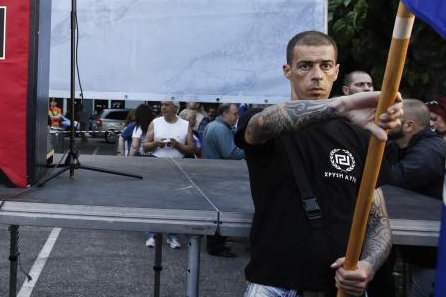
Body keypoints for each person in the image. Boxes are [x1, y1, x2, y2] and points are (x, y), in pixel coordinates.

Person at [234, 31, 401, 296]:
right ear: (287, 71)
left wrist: (367, 266)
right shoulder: (266, 120)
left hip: (341, 289)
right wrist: (340, 105)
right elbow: (261, 126)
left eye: (325, 66)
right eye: (305, 66)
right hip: (276, 285)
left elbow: (378, 221)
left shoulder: (361, 135)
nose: (316, 75)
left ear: (336, 72)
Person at [384, 98, 446, 296]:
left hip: (437, 253)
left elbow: (395, 178)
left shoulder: (430, 151)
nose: (384, 122)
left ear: (409, 126)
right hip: (420, 250)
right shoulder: (398, 147)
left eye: (392, 119)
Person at [141, 100, 194, 249]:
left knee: (175, 202)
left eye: (167, 104)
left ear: (175, 108)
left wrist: (177, 145)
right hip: (157, 165)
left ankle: (173, 236)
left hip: (178, 166)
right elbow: (145, 146)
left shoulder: (185, 124)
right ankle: (151, 234)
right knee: (155, 201)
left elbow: (192, 149)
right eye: (162, 104)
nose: (163, 107)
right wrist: (156, 144)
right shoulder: (155, 122)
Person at [201, 103, 243, 258]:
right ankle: (216, 246)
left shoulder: (214, 126)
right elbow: (231, 153)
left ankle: (216, 243)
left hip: (214, 174)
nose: (237, 117)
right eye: (235, 114)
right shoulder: (220, 129)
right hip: (221, 176)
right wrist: (250, 151)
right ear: (225, 113)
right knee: (222, 213)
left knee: (216, 212)